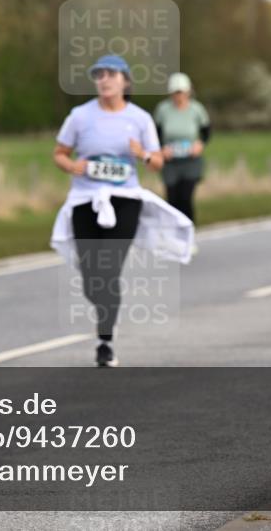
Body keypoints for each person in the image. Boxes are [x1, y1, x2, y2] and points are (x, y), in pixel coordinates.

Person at [51, 55, 193, 367]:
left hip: (125, 200)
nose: (104, 80)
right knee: (91, 277)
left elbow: (157, 162)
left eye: (111, 74)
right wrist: (72, 166)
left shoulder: (140, 119)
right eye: (99, 75)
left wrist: (143, 154)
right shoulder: (80, 116)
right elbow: (59, 153)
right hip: (85, 200)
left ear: (125, 81)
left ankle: (105, 341)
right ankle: (108, 308)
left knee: (109, 269)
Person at [153, 72, 211, 223]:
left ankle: (188, 229)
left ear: (188, 92)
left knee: (186, 197)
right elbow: (155, 133)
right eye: (176, 93)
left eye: (182, 92)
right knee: (172, 199)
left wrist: (200, 144)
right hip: (170, 161)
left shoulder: (196, 109)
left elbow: (206, 132)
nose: (179, 96)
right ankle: (173, 231)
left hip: (190, 160)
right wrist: (161, 148)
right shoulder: (163, 110)